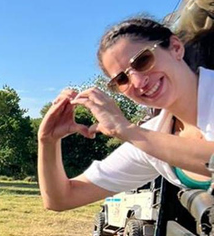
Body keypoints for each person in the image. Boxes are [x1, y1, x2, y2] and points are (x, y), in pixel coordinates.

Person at [38, 17, 214, 212]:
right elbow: (61, 199)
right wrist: (47, 141)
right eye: (122, 79)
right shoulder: (151, 137)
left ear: (175, 48)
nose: (138, 82)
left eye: (143, 60)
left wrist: (128, 131)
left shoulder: (143, 138)